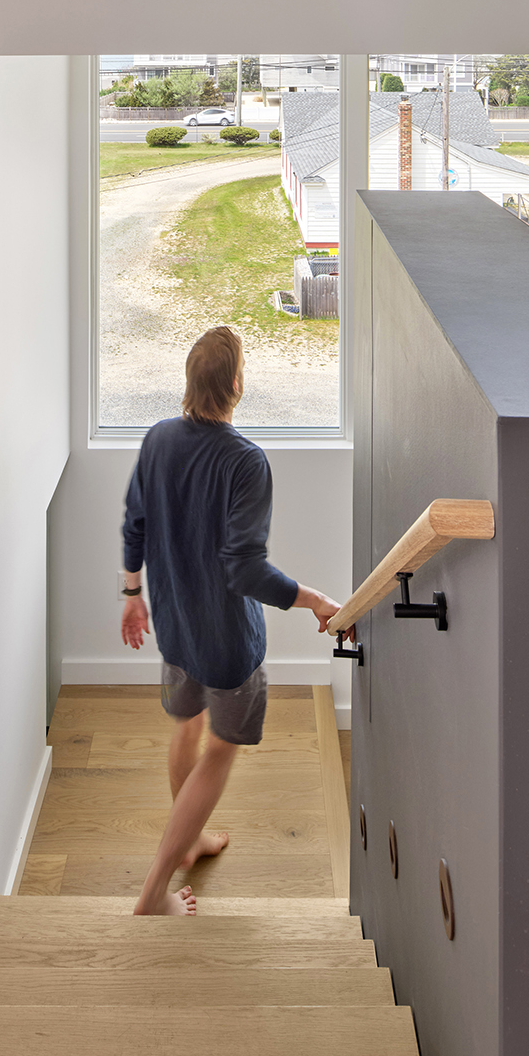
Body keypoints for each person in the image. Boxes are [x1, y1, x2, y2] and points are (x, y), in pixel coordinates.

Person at [120, 324, 345, 916]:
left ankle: (189, 840)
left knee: (185, 728)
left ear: (190, 383)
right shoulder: (246, 462)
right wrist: (316, 599)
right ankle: (153, 892)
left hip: (174, 627)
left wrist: (131, 592)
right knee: (219, 749)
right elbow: (244, 571)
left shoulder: (158, 439)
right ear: (238, 385)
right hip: (224, 644)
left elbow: (135, 523)